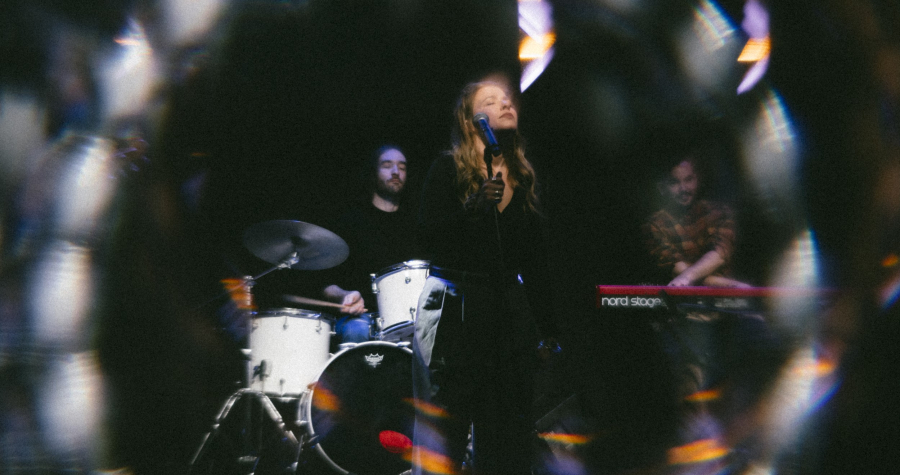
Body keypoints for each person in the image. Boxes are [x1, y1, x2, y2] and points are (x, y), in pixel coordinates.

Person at [411, 81, 556, 475]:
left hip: (507, 313)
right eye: (491, 101)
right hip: (455, 308)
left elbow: (535, 261)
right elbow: (426, 237)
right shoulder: (446, 169)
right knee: (445, 434)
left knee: (507, 439)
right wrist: (472, 209)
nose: (505, 103)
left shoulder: (524, 178)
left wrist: (548, 329)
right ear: (470, 121)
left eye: (506, 99)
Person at [322, 145, 421, 343]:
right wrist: (345, 296)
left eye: (402, 167)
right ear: (373, 173)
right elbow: (327, 285)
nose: (396, 172)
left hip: (409, 319)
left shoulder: (417, 225)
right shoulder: (351, 223)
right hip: (361, 317)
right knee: (356, 330)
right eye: (387, 166)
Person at [642, 154, 748, 288]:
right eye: (674, 182)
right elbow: (678, 271)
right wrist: (733, 286)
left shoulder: (720, 211)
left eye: (688, 180)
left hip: (728, 298)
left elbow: (720, 254)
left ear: (697, 180)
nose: (683, 189)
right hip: (685, 298)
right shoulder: (654, 224)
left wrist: (687, 277)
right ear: (662, 187)